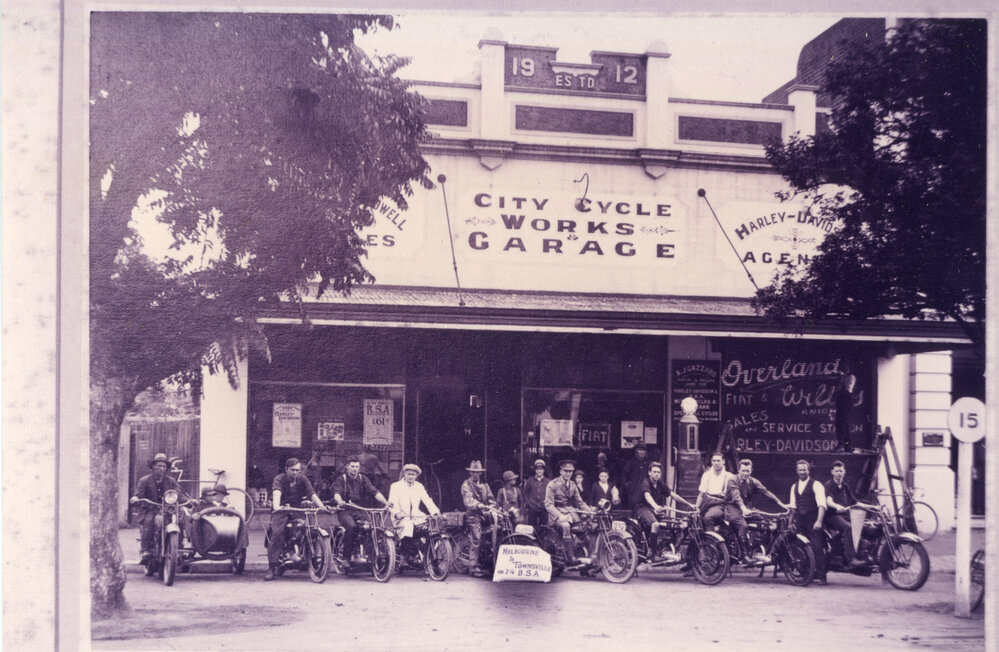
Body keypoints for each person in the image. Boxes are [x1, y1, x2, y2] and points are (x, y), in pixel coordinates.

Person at [266, 458, 328, 581]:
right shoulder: (279, 479)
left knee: (310, 528)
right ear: (286, 469)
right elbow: (276, 492)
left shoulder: (302, 479)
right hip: (281, 511)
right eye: (292, 470)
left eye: (297, 470)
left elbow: (312, 494)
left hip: (296, 510)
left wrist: (321, 506)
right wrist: (277, 506)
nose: (295, 473)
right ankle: (271, 567)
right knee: (277, 533)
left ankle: (311, 558)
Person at [130, 453, 186, 564]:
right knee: (149, 521)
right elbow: (139, 494)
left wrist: (189, 501)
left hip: (168, 509)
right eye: (159, 466)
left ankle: (178, 549)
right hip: (150, 508)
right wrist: (135, 498)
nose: (161, 468)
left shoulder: (171, 481)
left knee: (179, 521)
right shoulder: (144, 480)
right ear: (153, 466)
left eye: (164, 466)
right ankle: (146, 550)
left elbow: (178, 494)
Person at [697, 453, 753, 564]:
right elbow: (701, 494)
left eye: (718, 460)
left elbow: (735, 495)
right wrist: (697, 507)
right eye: (714, 461)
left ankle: (711, 546)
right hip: (707, 502)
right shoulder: (707, 475)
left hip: (721, 503)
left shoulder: (729, 476)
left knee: (709, 517)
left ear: (723, 462)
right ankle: (692, 562)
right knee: (695, 524)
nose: (716, 463)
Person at [632, 462, 695, 561]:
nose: (657, 474)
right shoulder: (646, 482)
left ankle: (667, 548)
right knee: (655, 524)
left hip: (654, 510)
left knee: (674, 524)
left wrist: (689, 504)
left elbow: (673, 495)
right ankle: (654, 555)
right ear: (649, 473)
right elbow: (647, 496)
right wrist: (656, 506)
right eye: (654, 472)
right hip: (643, 508)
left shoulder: (660, 483)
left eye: (658, 472)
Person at [332, 456, 389, 563]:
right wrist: (339, 501)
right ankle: (346, 558)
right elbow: (336, 493)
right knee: (351, 526)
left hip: (359, 510)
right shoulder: (341, 479)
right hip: (345, 510)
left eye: (357, 467)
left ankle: (369, 555)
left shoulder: (363, 479)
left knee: (371, 526)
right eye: (352, 466)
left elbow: (374, 492)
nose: (355, 469)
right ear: (347, 467)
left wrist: (385, 502)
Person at [544, 459, 591, 567]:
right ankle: (571, 558)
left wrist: (590, 511)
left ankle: (583, 555)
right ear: (560, 471)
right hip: (556, 515)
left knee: (586, 526)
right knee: (565, 526)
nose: (568, 473)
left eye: (570, 471)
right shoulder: (553, 485)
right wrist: (560, 516)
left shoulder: (573, 485)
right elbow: (548, 505)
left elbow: (579, 502)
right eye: (566, 471)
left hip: (570, 513)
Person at [789, 459, 828, 584]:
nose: (802, 472)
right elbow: (793, 508)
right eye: (799, 470)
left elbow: (822, 505)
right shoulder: (794, 486)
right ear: (796, 471)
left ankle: (822, 577)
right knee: (801, 548)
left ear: (808, 470)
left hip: (813, 519)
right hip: (800, 521)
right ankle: (807, 574)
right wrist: (790, 522)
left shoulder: (816, 484)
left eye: (804, 469)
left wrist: (819, 521)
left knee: (817, 547)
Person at [460, 460, 497, 577]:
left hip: (485, 514)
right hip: (473, 515)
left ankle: (492, 562)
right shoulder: (466, 485)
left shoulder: (485, 486)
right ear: (470, 473)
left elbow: (491, 499)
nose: (476, 475)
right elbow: (468, 500)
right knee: (477, 537)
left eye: (478, 473)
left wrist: (491, 506)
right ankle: (473, 566)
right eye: (473, 472)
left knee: (497, 530)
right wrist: (478, 504)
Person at [824, 460, 863, 568]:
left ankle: (860, 554)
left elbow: (855, 502)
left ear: (844, 472)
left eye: (841, 471)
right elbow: (829, 501)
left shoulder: (845, 486)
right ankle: (851, 559)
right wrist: (837, 506)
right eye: (836, 471)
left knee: (863, 526)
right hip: (832, 515)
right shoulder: (829, 485)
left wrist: (872, 507)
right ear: (832, 472)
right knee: (848, 527)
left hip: (845, 515)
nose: (839, 473)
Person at [388, 463, 440, 538]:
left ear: (416, 476)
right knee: (408, 530)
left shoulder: (419, 486)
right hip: (402, 518)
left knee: (429, 527)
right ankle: (406, 546)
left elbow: (426, 499)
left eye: (413, 475)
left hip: (416, 516)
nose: (411, 477)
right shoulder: (396, 486)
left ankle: (426, 548)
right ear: (404, 474)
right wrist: (397, 514)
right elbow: (392, 503)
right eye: (409, 474)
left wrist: (435, 512)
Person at [834, 367, 857, 452]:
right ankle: (844, 444)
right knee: (839, 423)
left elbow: (847, 389)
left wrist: (841, 381)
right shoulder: (843, 376)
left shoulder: (851, 377)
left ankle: (845, 445)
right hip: (841, 401)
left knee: (844, 423)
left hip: (846, 400)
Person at [523, 459, 551, 528]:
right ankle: (533, 539)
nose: (539, 471)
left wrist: (547, 504)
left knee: (544, 528)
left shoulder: (548, 481)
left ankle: (542, 539)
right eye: (537, 469)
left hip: (543, 508)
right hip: (532, 508)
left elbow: (550, 495)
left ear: (544, 470)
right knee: (532, 527)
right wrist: (529, 504)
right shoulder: (530, 480)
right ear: (535, 470)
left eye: (541, 469)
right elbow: (525, 493)